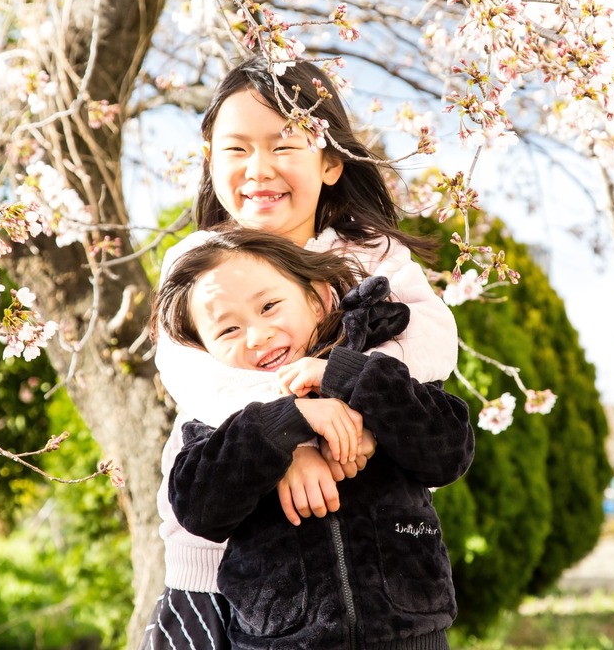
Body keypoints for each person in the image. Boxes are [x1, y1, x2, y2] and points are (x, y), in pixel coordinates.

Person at [141, 56, 459, 647]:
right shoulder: (198, 265)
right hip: (219, 553)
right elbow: (197, 378)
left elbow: (432, 340)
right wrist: (294, 431)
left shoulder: (370, 254)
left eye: (284, 145)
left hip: (375, 551)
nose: (258, 168)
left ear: (331, 161)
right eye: (236, 149)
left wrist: (354, 406)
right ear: (209, 159)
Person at [153, 229, 475, 649]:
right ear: (204, 350)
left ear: (318, 300)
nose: (257, 335)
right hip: (282, 640)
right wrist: (286, 423)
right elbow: (198, 509)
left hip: (410, 633)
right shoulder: (218, 419)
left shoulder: (379, 366)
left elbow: (450, 449)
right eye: (228, 329)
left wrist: (346, 376)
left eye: (269, 306)